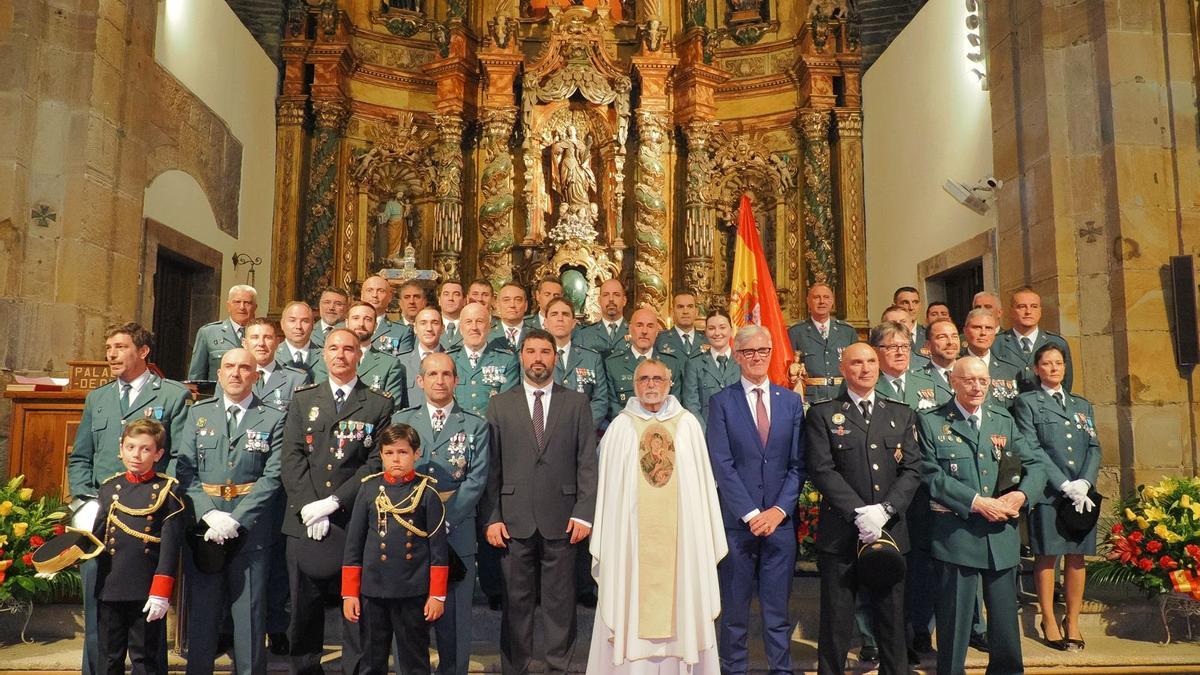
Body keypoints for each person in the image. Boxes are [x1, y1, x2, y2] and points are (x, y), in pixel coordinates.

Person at [586, 358, 727, 674]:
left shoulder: (688, 426)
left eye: (657, 379)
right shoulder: (620, 429)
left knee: (683, 594)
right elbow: (609, 496)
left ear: (669, 383)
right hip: (631, 546)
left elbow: (700, 491)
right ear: (634, 385)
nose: (651, 385)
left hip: (681, 545)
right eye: (644, 379)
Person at [68, 322, 190, 675]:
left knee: (146, 624)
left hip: (147, 521)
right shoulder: (99, 397)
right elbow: (80, 457)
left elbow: (180, 457)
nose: (111, 353)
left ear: (143, 351)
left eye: (120, 346)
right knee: (99, 609)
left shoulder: (171, 395)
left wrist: (168, 502)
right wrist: (83, 500)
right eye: (108, 347)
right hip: (101, 519)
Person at [917, 356, 1044, 675]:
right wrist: (976, 502)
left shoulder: (1003, 419)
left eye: (983, 381)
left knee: (1004, 625)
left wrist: (1021, 495)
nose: (977, 387)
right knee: (955, 623)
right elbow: (931, 474)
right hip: (957, 536)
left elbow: (1034, 465)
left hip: (1000, 536)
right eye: (969, 380)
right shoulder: (932, 421)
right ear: (953, 382)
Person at [483, 328, 598, 675]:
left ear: (555, 357)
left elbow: (587, 463)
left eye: (544, 352)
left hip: (563, 521)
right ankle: (515, 667)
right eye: (530, 351)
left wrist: (584, 514)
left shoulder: (576, 403)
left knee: (560, 604)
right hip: (513, 522)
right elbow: (492, 468)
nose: (537, 358)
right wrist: (492, 517)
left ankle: (558, 667)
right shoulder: (499, 404)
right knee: (516, 604)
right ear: (521, 357)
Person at [280, 328, 395, 675]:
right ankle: (305, 669)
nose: (340, 355)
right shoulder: (303, 399)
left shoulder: (378, 402)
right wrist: (308, 507)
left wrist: (331, 503)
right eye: (333, 348)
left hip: (354, 519)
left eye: (348, 349)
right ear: (323, 354)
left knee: (356, 607)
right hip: (303, 520)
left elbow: (375, 464)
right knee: (303, 609)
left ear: (360, 354)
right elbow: (292, 457)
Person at [806, 342, 921, 675]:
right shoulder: (823, 414)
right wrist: (860, 513)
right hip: (841, 536)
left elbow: (913, 469)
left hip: (890, 533)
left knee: (893, 622)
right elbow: (821, 469)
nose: (865, 368)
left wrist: (884, 511)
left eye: (871, 361)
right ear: (843, 369)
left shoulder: (900, 413)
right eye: (856, 362)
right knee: (836, 624)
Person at [176, 349, 286, 675]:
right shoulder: (198, 415)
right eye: (229, 367)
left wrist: (237, 519)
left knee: (249, 616)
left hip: (252, 531)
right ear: (219, 374)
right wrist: (210, 514)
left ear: (256, 375)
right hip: (205, 529)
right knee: (203, 615)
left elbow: (274, 475)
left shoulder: (273, 417)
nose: (236, 373)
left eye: (244, 368)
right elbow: (185, 471)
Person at [706, 325, 804, 675]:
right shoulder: (721, 402)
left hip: (779, 524)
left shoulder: (791, 401)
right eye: (748, 352)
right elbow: (722, 464)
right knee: (734, 613)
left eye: (763, 351)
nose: (757, 357)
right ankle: (733, 670)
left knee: (778, 613)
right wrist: (750, 513)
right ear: (737, 356)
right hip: (737, 525)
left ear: (771, 353)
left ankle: (782, 670)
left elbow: (798, 464)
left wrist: (777, 511)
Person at [392, 353, 490, 675]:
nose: (440, 380)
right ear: (419, 381)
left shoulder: (475, 425)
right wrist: (422, 520)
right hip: (410, 531)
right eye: (432, 374)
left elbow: (476, 480)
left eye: (447, 374)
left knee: (455, 623)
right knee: (410, 620)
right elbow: (393, 475)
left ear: (456, 380)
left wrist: (442, 518)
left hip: (456, 531)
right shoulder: (402, 422)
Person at [1012, 344, 1099, 651]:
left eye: (1058, 363)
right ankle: (1048, 618)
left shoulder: (1081, 405)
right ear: (1036, 369)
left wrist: (1085, 483)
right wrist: (1063, 483)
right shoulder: (1027, 403)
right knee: (1047, 556)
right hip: (1050, 492)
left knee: (1077, 557)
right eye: (1046, 364)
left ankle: (1072, 620)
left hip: (1081, 495)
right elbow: (1031, 448)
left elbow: (1093, 447)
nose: (1053, 369)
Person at [342, 424, 448, 675]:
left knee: (415, 661)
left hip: (412, 591)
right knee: (370, 660)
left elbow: (439, 550)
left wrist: (437, 595)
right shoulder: (368, 489)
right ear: (381, 455)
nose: (396, 459)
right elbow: (354, 545)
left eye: (402, 452)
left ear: (416, 454)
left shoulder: (427, 493)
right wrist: (350, 593)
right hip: (373, 591)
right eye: (389, 453)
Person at [91, 418, 186, 675]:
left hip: (146, 589)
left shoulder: (168, 490)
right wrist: (63, 557)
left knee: (146, 659)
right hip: (110, 585)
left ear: (158, 454)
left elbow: (170, 545)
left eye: (145, 449)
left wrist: (161, 591)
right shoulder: (109, 487)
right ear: (121, 448)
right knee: (109, 658)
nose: (137, 455)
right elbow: (95, 537)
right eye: (131, 447)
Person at [869, 321, 939, 661]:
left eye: (905, 346)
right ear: (877, 352)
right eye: (891, 346)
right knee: (884, 562)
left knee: (921, 564)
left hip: (923, 490)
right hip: (883, 492)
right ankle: (883, 637)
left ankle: (920, 630)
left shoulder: (928, 385)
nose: (900, 352)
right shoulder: (868, 384)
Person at [313, 302, 408, 404]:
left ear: (375, 326)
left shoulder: (389, 364)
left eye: (367, 319)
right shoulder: (329, 357)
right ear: (347, 322)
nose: (361, 324)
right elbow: (320, 398)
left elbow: (392, 406)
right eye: (355, 318)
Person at [605, 308, 684, 421]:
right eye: (639, 325)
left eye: (650, 326)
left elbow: (674, 405)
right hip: (627, 429)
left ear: (657, 331)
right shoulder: (613, 364)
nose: (644, 331)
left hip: (663, 429)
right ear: (630, 329)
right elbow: (612, 407)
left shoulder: (671, 363)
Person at [544, 297, 610, 429]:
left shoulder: (592, 358)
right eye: (554, 314)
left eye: (566, 314)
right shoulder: (535, 359)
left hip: (583, 432)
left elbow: (600, 400)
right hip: (546, 433)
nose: (560, 318)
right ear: (545, 322)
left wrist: (581, 427)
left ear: (574, 323)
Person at [995, 287, 1074, 393]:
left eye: (1034, 306)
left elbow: (1065, 384)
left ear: (1040, 311)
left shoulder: (1057, 343)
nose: (1028, 311)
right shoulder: (996, 343)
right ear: (1011, 311)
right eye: (1021, 307)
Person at [788, 282, 857, 403]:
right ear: (808, 301)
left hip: (842, 395)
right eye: (816, 297)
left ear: (832, 301)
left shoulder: (847, 331)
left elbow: (856, 366)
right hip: (811, 398)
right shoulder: (796, 332)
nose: (822, 301)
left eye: (826, 297)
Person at [450, 302, 520, 417]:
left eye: (479, 321)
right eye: (468, 322)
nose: (474, 327)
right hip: (457, 429)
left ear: (489, 327)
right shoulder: (449, 359)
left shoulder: (506, 360)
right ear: (461, 328)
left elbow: (507, 404)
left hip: (492, 429)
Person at [680, 309, 741, 429]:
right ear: (706, 332)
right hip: (707, 434)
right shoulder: (694, 364)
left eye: (722, 327)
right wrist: (704, 435)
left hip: (739, 433)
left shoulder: (742, 361)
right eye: (712, 328)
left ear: (731, 329)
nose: (717, 333)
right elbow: (691, 405)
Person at [189, 285, 258, 380]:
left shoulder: (263, 335)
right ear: (228, 306)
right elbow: (196, 378)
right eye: (237, 302)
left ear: (255, 307)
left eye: (247, 303)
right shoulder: (208, 333)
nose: (242, 307)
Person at [243, 318, 311, 410]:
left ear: (277, 342)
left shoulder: (297, 380)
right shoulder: (230, 378)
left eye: (267, 337)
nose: (261, 343)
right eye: (255, 337)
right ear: (245, 343)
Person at [962, 308, 1023, 408]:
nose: (983, 333)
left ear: (995, 333)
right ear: (965, 331)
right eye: (977, 327)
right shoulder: (954, 367)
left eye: (989, 328)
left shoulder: (1012, 370)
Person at [574, 278, 630, 359]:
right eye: (606, 295)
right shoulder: (584, 335)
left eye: (616, 294)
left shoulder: (636, 333)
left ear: (624, 300)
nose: (611, 299)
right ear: (599, 300)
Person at [401, 307, 445, 408]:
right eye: (423, 323)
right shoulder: (401, 362)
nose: (429, 328)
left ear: (442, 329)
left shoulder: (453, 360)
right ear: (415, 329)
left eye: (434, 323)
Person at [362, 275, 415, 357]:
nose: (375, 295)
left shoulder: (401, 332)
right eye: (369, 290)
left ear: (390, 297)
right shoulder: (342, 328)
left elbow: (403, 364)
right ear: (361, 295)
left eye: (381, 291)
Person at [655, 291, 708, 358]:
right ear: (672, 312)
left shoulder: (707, 341)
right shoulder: (660, 340)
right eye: (680, 307)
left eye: (690, 307)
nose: (685, 312)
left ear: (696, 312)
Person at [278, 301, 323, 376]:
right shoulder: (272, 356)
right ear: (282, 324)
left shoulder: (325, 356)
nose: (298, 326)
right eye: (292, 320)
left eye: (305, 321)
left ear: (312, 325)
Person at [919, 318, 958, 404]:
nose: (950, 342)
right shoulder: (917, 378)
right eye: (942, 337)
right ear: (928, 345)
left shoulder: (973, 373)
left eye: (954, 336)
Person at [488, 282, 530, 350]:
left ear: (526, 305)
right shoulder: (487, 336)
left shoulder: (538, 335)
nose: (512, 305)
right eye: (506, 300)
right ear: (497, 305)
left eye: (518, 300)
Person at [439, 280, 468, 351]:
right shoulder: (429, 326)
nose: (450, 298)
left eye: (456, 294)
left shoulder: (472, 327)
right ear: (439, 300)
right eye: (446, 294)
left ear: (464, 301)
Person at [893, 286, 925, 351]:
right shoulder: (884, 335)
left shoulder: (929, 334)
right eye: (905, 302)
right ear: (894, 307)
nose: (911, 307)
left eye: (915, 302)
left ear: (920, 305)